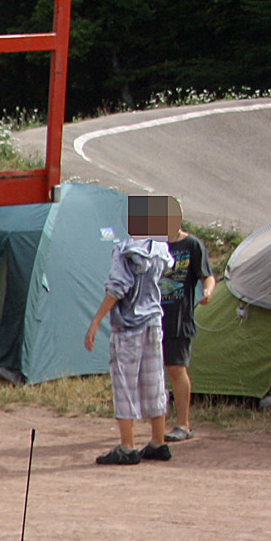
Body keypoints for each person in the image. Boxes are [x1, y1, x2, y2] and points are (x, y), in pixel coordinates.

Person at [86, 195, 176, 465]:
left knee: (125, 383)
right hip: (153, 321)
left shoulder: (124, 251)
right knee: (154, 380)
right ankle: (158, 442)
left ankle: (127, 446)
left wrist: (96, 320)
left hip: (128, 326)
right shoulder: (161, 250)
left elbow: (118, 286)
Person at [159, 207, 216, 442]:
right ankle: (157, 423)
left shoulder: (192, 244)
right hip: (151, 317)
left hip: (178, 318)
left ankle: (183, 424)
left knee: (176, 368)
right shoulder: (155, 245)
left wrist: (208, 292)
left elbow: (207, 275)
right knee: (154, 373)